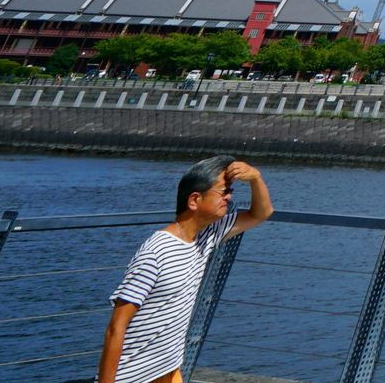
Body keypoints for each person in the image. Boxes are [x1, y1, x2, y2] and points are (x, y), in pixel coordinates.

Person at [97, 157, 269, 383]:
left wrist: (255, 178)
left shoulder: (207, 236)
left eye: (230, 191)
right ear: (194, 200)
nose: (229, 197)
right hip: (133, 377)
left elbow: (261, 213)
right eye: (223, 192)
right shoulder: (156, 252)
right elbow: (116, 327)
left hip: (168, 370)